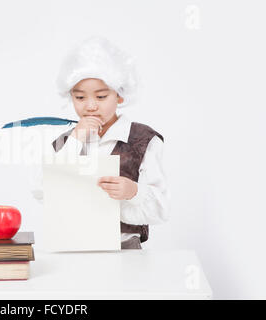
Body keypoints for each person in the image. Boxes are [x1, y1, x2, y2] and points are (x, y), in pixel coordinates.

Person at [30, 36, 169, 249]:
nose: (91, 106)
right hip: (72, 245)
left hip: (125, 249)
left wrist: (133, 191)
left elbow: (161, 209)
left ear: (119, 96)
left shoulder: (143, 139)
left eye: (101, 97)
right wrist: (76, 140)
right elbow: (43, 192)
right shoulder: (66, 142)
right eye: (80, 98)